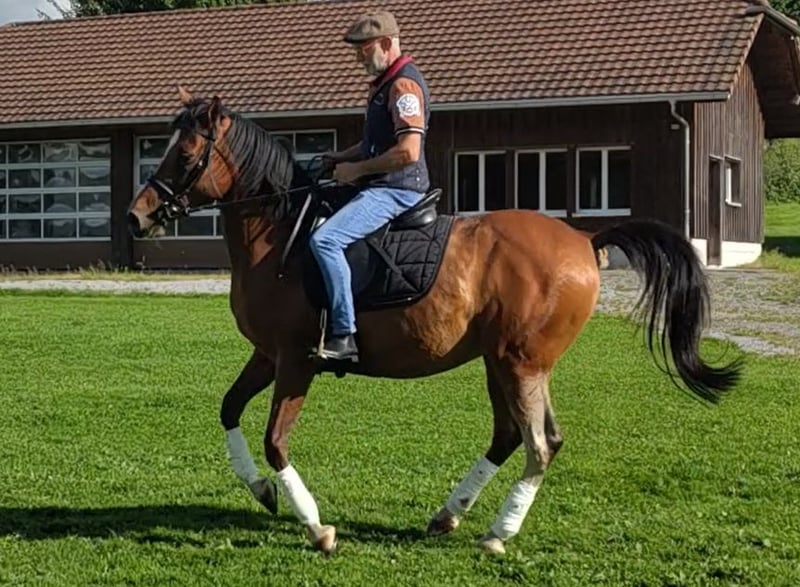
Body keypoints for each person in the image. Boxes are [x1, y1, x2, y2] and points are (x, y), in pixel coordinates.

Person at [309, 10, 431, 362]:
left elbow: (408, 152)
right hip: (382, 184)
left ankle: (344, 334)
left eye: (363, 50)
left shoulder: (403, 87)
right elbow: (375, 144)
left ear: (387, 43)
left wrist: (356, 170)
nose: (358, 58)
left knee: (326, 240)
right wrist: (340, 157)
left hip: (397, 189)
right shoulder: (384, 85)